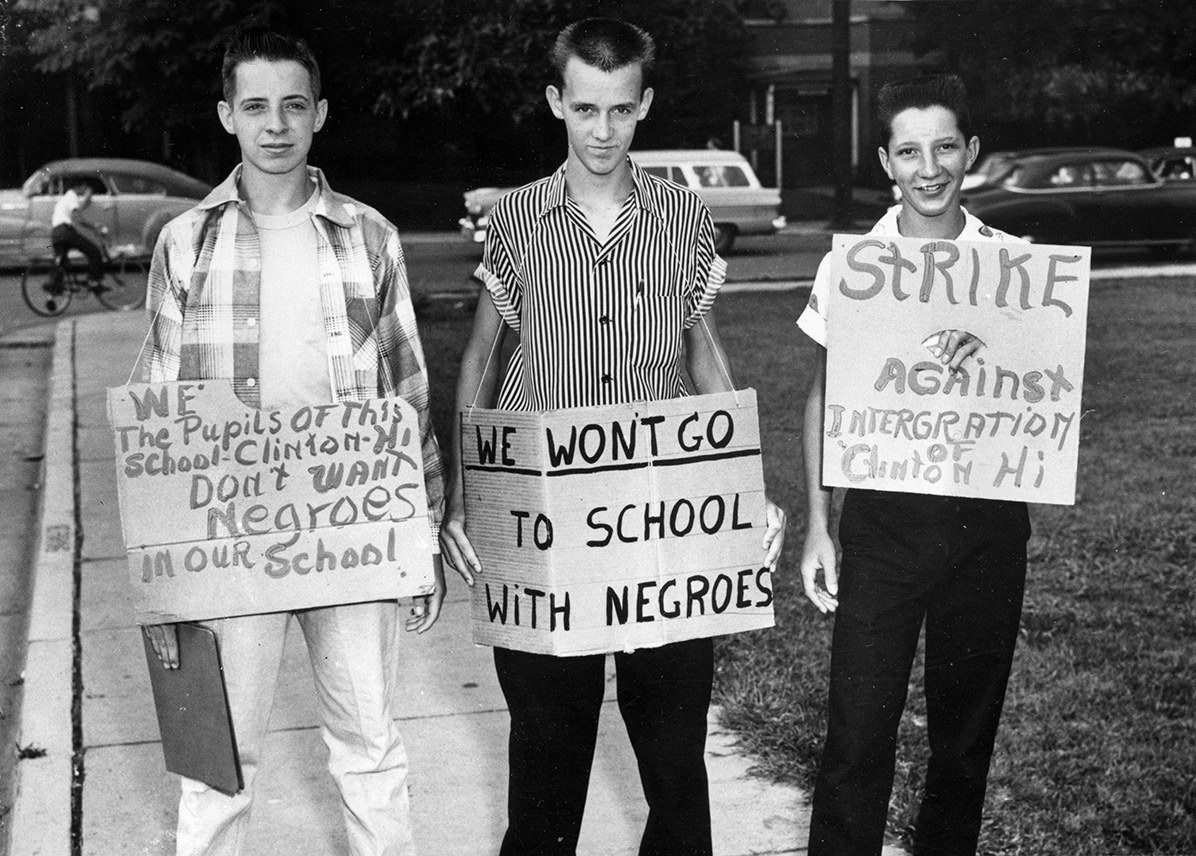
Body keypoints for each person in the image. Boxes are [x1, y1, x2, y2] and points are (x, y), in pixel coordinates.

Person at [437, 18, 786, 856]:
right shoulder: (516, 221)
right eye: (586, 109)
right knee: (546, 762)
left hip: (657, 516)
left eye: (621, 111)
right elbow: (486, 354)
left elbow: (700, 347)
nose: (602, 131)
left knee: (674, 762)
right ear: (557, 101)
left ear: (645, 106)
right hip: (543, 518)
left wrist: (743, 484)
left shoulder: (684, 218)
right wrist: (460, 491)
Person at [141, 30, 445, 856]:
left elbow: (406, 391)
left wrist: (417, 536)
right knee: (218, 760)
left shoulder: (367, 235)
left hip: (352, 523)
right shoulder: (186, 242)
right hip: (229, 532)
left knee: (369, 746)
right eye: (255, 107)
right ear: (226, 116)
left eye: (292, 105)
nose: (274, 125)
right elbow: (158, 406)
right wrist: (165, 572)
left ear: (319, 115)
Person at [796, 74, 1031, 856]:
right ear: (884, 162)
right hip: (885, 526)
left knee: (964, 741)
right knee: (858, 735)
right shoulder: (857, 266)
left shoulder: (1015, 265)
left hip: (985, 525)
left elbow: (1037, 395)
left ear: (971, 152)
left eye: (943, 148)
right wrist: (818, 527)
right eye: (908, 151)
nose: (928, 168)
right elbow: (825, 397)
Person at [49, 179, 106, 292]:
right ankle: (94, 281)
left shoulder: (65, 198)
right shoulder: (72, 196)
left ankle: (52, 295)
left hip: (56, 233)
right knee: (94, 251)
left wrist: (86, 200)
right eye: (86, 188)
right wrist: (94, 227)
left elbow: (77, 211)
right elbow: (78, 218)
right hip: (65, 231)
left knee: (62, 262)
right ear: (82, 185)